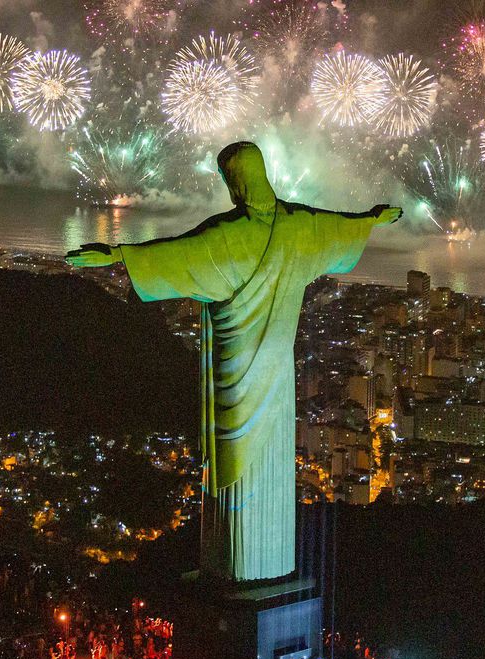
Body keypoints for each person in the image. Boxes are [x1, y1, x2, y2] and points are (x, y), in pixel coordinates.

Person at [67, 141, 400, 581]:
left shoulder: (228, 236)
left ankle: (235, 566)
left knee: (232, 465)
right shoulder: (300, 226)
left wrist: (117, 255)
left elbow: (175, 254)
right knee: (270, 461)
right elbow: (338, 229)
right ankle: (269, 563)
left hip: (234, 374)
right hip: (277, 377)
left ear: (235, 182)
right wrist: (370, 220)